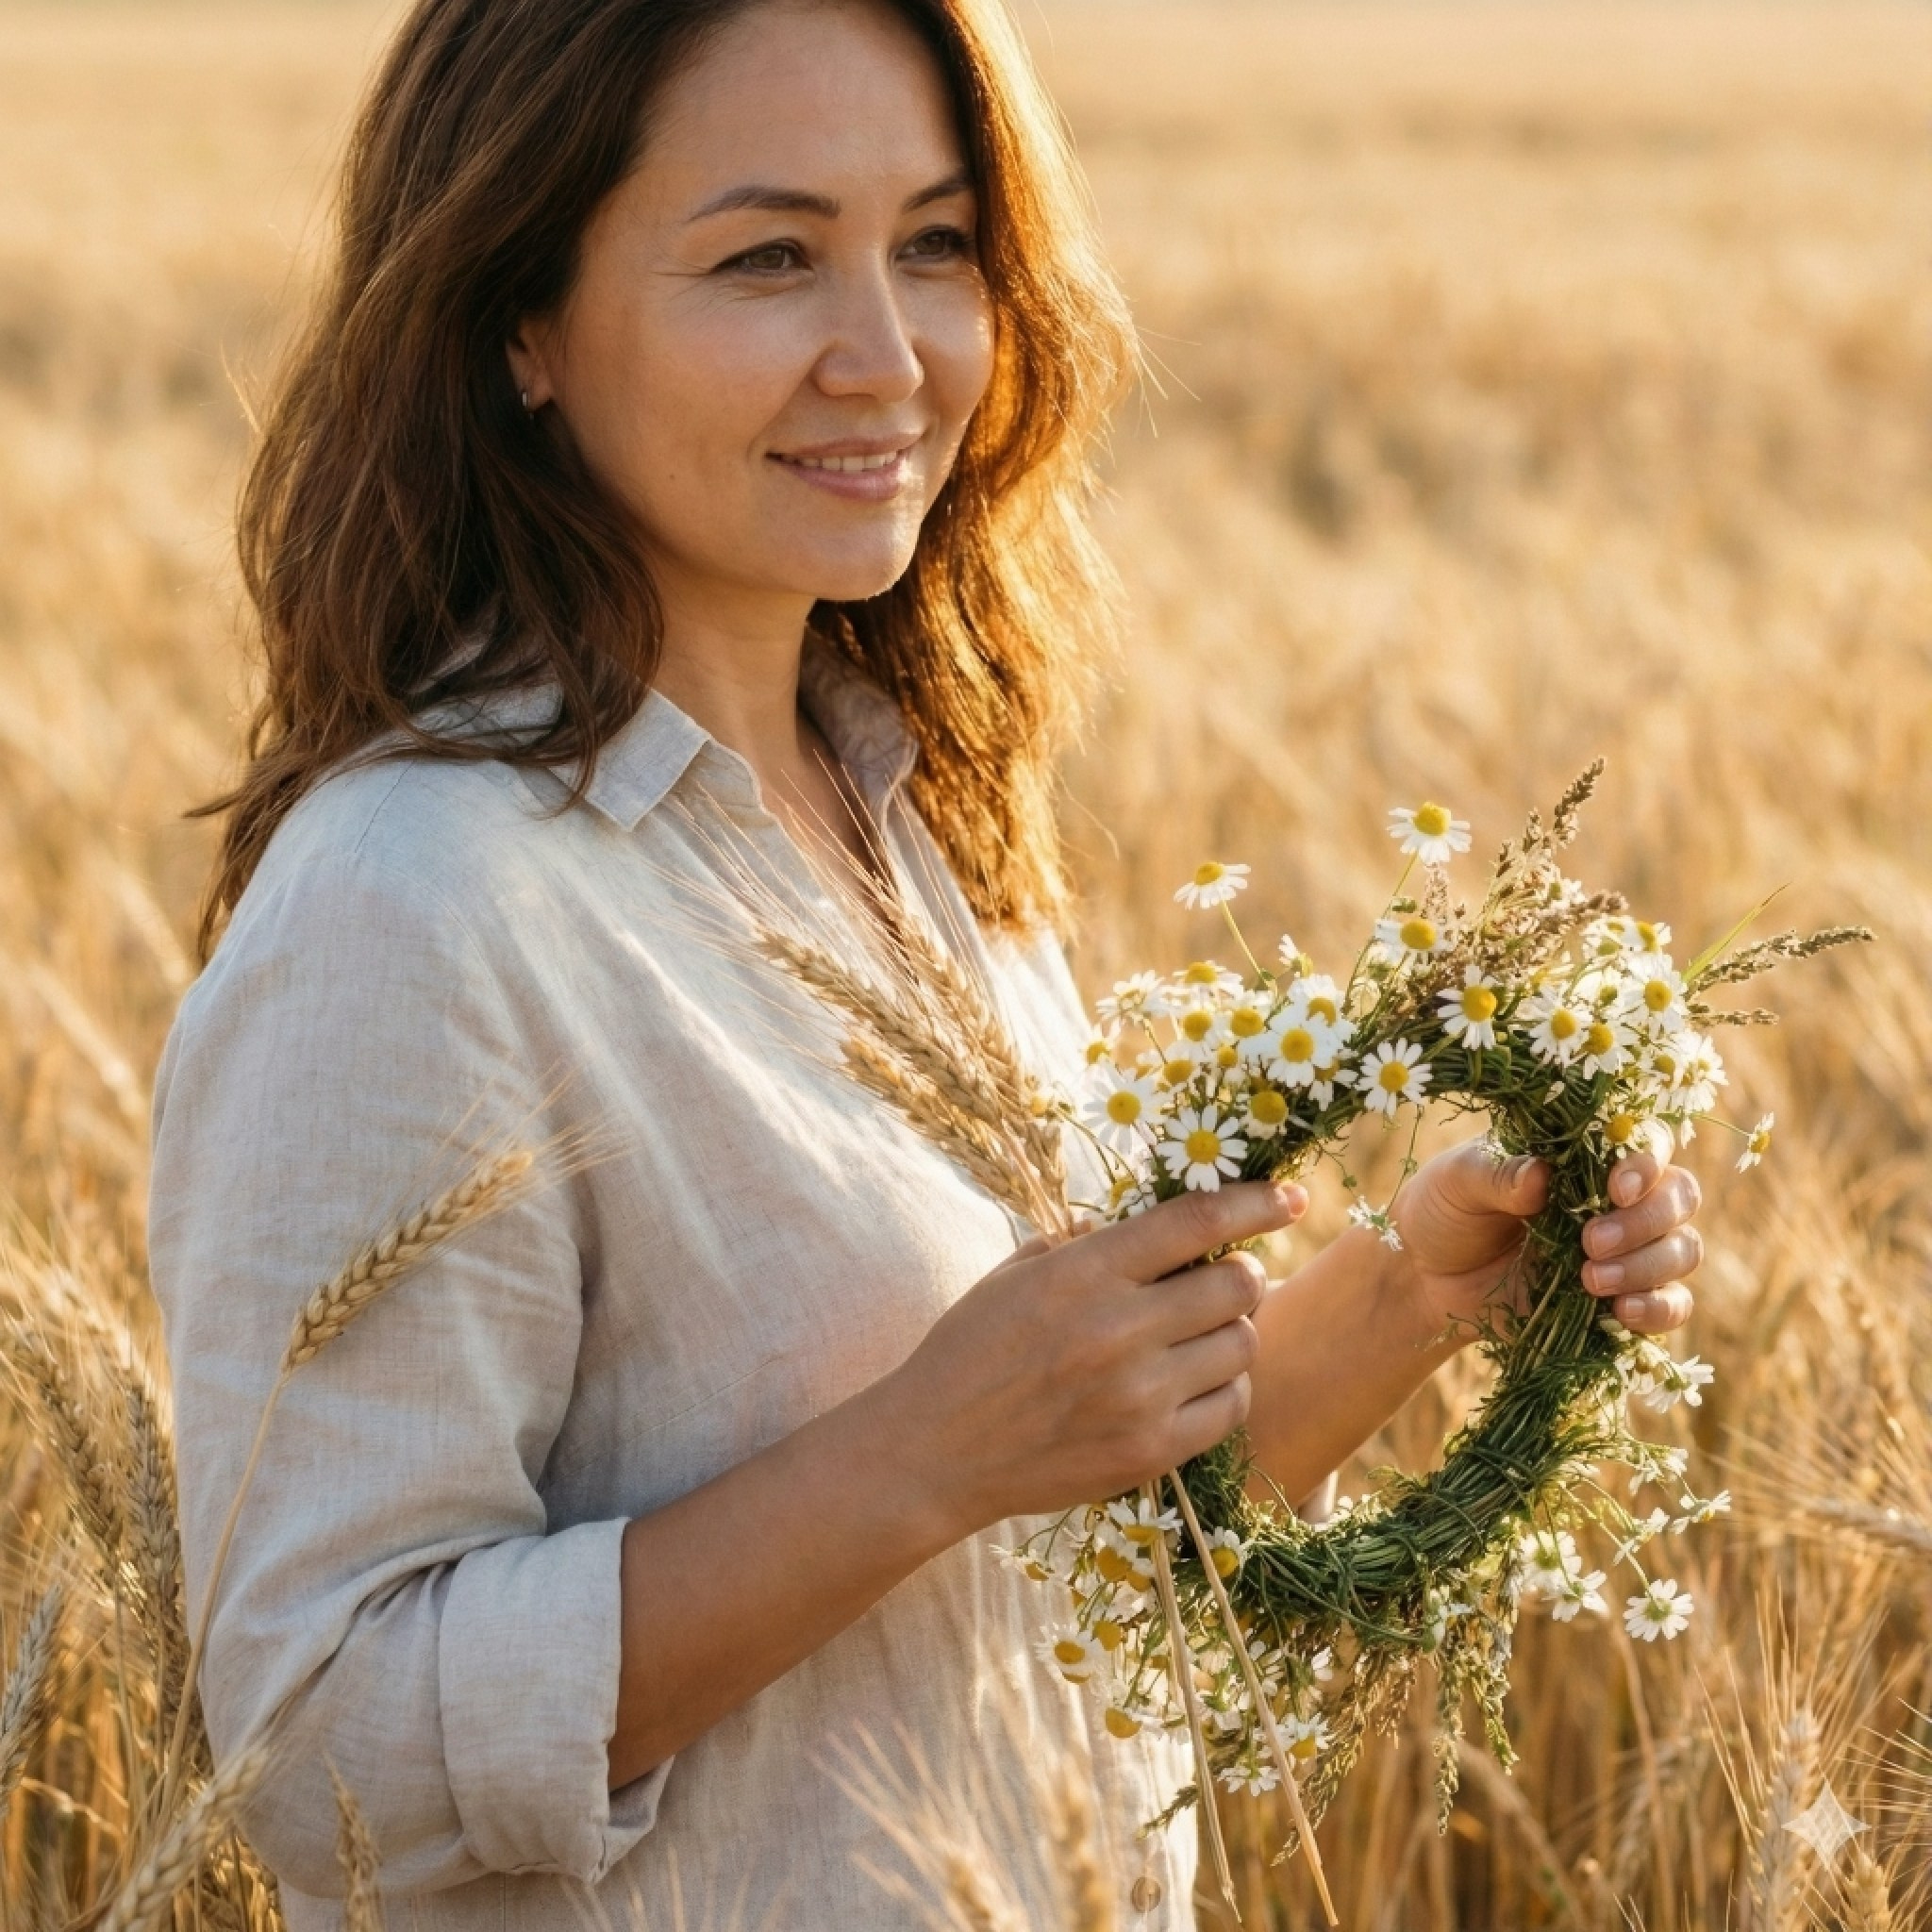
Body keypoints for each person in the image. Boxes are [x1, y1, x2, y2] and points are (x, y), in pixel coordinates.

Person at [148, 0, 1707, 1924]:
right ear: (517, 320)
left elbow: (1060, 1543)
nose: (887, 358)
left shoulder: (919, 814)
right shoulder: (410, 904)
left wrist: (1411, 1291)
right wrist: (915, 1457)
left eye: (940, 244)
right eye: (767, 257)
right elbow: (317, 1749)